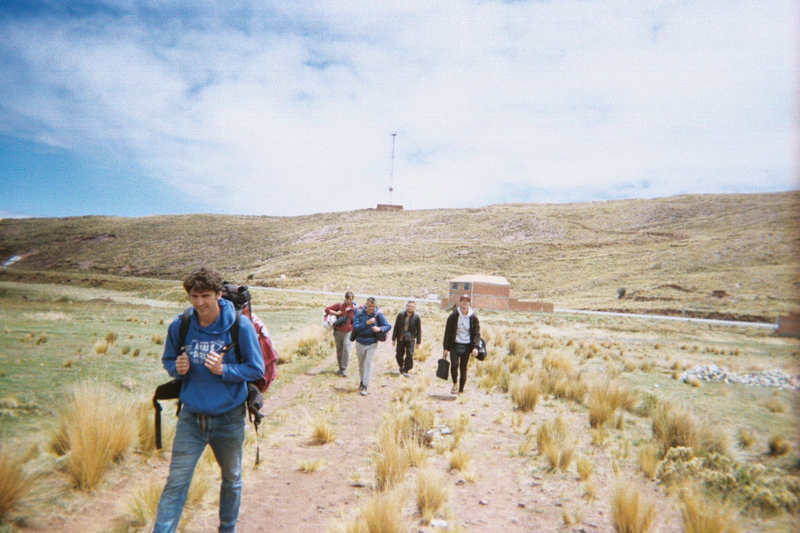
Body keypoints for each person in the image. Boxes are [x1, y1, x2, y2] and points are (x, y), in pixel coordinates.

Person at [153, 267, 265, 533]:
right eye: (194, 296)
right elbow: (168, 360)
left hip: (229, 419)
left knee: (232, 479)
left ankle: (227, 529)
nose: (199, 303)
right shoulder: (180, 325)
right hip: (191, 418)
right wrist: (176, 368)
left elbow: (256, 369)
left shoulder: (239, 326)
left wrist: (224, 370)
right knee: (176, 483)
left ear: (218, 295)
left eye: (205, 295)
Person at [351, 296, 391, 396]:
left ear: (375, 306)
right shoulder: (359, 313)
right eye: (369, 306)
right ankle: (362, 381)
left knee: (368, 364)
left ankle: (365, 385)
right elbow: (355, 328)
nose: (371, 309)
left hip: (372, 343)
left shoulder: (378, 314)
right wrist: (366, 323)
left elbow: (388, 325)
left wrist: (379, 329)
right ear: (366, 305)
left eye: (373, 307)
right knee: (361, 364)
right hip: (360, 342)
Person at [442, 294, 480, 395]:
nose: (464, 303)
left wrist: (475, 347)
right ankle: (455, 383)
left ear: (469, 303)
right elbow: (448, 332)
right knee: (454, 365)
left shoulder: (473, 317)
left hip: (467, 346)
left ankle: (461, 390)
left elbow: (476, 333)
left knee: (463, 368)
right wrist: (446, 348)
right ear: (460, 302)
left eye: (467, 301)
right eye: (463, 301)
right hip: (455, 344)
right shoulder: (453, 315)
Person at [325, 291, 356, 376]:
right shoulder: (339, 305)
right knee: (339, 350)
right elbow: (327, 309)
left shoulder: (354, 307)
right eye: (348, 299)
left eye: (351, 299)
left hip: (348, 332)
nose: (349, 301)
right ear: (345, 298)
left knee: (346, 348)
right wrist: (336, 313)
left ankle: (344, 368)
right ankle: (340, 368)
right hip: (338, 331)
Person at [392, 300, 421, 377]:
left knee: (409, 355)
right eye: (409, 306)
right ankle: (401, 366)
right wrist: (393, 338)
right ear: (406, 306)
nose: (410, 308)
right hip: (400, 338)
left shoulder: (416, 317)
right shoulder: (400, 315)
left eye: (412, 306)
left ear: (414, 308)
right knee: (398, 355)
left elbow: (419, 330)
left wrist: (418, 342)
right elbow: (396, 327)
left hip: (410, 339)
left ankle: (406, 369)